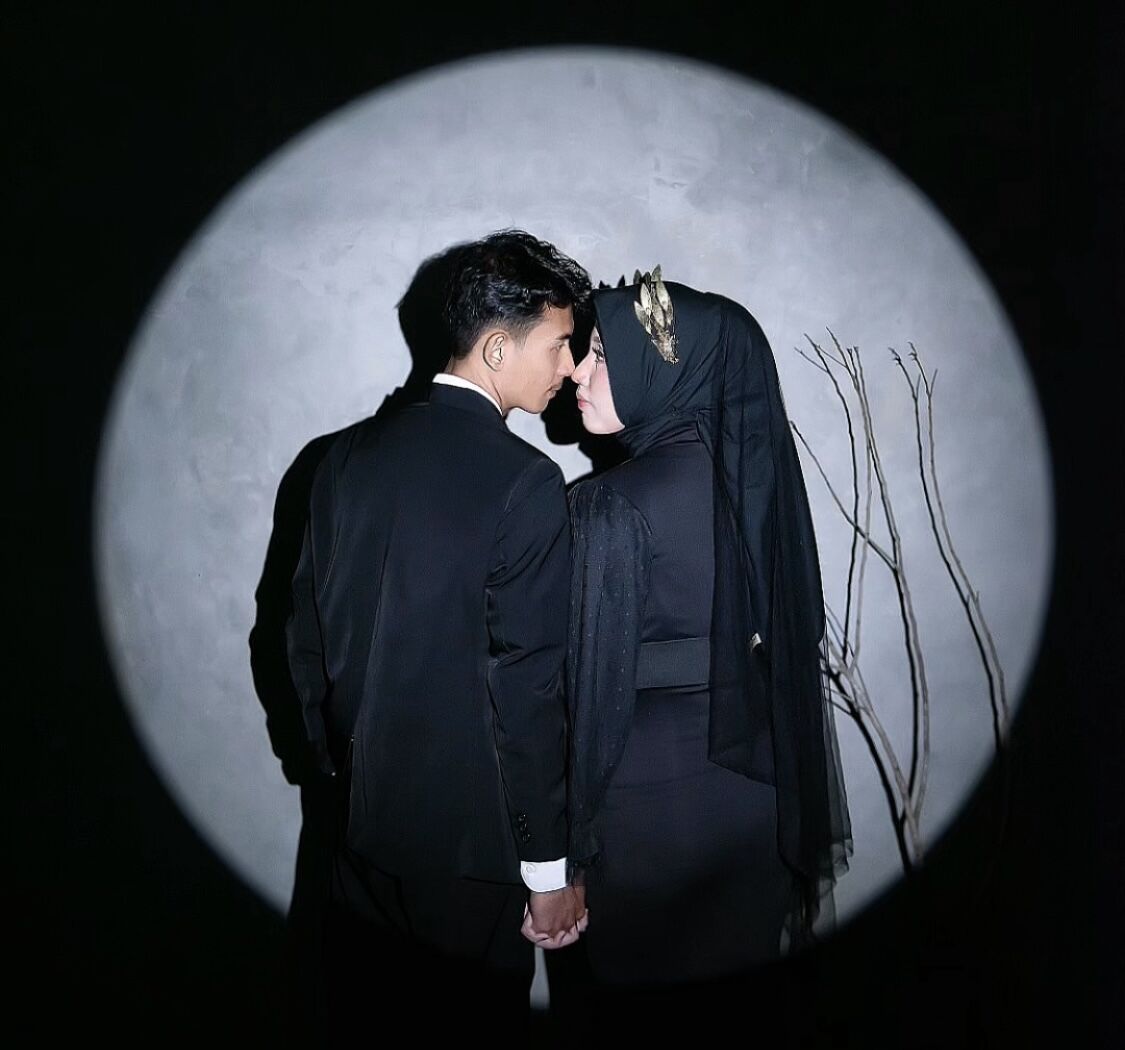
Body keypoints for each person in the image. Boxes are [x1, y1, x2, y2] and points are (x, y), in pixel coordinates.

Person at [284, 230, 591, 1043]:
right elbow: (528, 689)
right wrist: (548, 870)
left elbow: (298, 642)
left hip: (354, 832)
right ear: (496, 349)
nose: (568, 367)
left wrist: (331, 769)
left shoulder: (338, 459)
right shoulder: (525, 482)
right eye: (559, 345)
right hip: (470, 856)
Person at [563, 269, 852, 1022]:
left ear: (661, 368)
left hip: (646, 817)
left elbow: (589, 700)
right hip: (757, 798)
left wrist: (567, 853)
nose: (577, 372)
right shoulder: (758, 490)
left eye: (600, 355)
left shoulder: (606, 504)